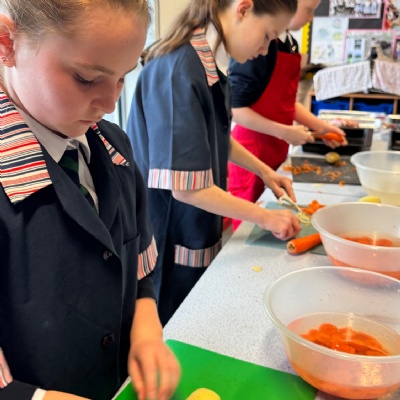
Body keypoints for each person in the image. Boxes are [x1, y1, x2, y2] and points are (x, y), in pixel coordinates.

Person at [0, 1, 180, 400]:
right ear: (7, 43)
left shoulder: (115, 147)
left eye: (123, 77)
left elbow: (140, 265)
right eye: (86, 78)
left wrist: (146, 327)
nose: (110, 103)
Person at [126, 0, 302, 326]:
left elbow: (216, 133)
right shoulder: (179, 71)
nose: (265, 50)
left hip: (194, 225)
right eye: (267, 35)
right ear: (243, 9)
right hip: (168, 231)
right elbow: (187, 189)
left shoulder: (212, 66)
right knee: (174, 324)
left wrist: (264, 171)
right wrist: (265, 217)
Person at [228, 0, 347, 230]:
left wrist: (321, 127)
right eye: (308, 10)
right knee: (247, 222)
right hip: (251, 151)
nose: (311, 18)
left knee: (274, 215)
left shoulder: (289, 43)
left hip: (276, 149)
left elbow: (286, 101)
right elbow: (236, 109)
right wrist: (284, 131)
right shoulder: (258, 47)